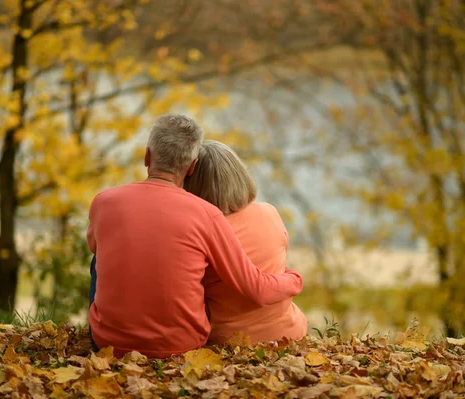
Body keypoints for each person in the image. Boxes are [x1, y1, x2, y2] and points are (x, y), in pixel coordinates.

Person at [87, 114, 303, 358]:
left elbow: (95, 245)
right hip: (182, 346)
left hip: (107, 344)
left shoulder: (103, 201)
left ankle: (114, 325)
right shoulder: (208, 214)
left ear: (147, 156)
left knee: (98, 260)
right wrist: (294, 278)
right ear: (191, 166)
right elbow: (254, 285)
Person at [184, 141, 307, 344]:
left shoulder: (200, 233)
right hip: (290, 334)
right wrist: (294, 279)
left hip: (231, 342)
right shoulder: (270, 212)